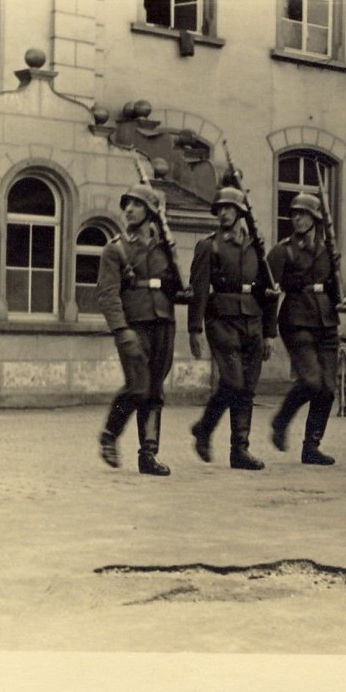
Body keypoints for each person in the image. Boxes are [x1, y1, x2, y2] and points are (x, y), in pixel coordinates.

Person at [187, 184, 277, 470]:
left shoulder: (257, 247)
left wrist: (270, 332)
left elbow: (269, 291)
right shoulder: (209, 245)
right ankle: (207, 428)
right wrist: (194, 329)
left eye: (229, 209)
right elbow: (199, 289)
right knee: (235, 382)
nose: (224, 214)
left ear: (240, 213)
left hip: (253, 320)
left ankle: (237, 449)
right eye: (220, 209)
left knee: (246, 387)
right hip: (221, 321)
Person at [97, 182, 182, 476]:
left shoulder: (165, 247)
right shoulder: (116, 249)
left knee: (155, 390)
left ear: (150, 212)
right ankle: (110, 434)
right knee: (138, 386)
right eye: (127, 204)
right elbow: (108, 295)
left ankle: (148, 455)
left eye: (136, 204)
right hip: (134, 326)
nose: (129, 209)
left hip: (164, 323)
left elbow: (175, 285)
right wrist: (121, 330)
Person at [266, 193, 345, 466]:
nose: (298, 218)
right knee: (312, 381)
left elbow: (336, 286)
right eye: (295, 214)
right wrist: (268, 331)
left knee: (328, 389)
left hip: (327, 321)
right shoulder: (283, 251)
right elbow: (267, 291)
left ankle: (311, 447)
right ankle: (281, 420)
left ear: (315, 219)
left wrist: (342, 300)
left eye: (304, 214)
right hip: (296, 319)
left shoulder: (328, 250)